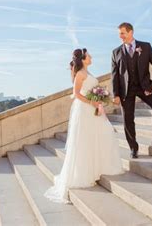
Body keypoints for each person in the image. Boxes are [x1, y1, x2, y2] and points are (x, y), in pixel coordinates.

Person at [44, 48, 124, 204]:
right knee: (86, 140)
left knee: (103, 135)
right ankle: (87, 172)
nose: (91, 57)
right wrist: (92, 102)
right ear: (83, 59)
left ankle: (99, 167)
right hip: (85, 110)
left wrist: (101, 99)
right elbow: (77, 94)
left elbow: (90, 91)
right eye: (89, 55)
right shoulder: (80, 74)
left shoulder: (88, 73)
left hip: (92, 108)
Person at [112, 22, 152, 159]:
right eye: (119, 34)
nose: (121, 37)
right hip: (126, 91)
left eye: (122, 33)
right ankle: (133, 148)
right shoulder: (116, 52)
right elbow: (115, 75)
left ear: (131, 32)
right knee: (128, 119)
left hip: (144, 87)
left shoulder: (145, 47)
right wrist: (116, 94)